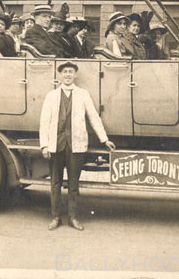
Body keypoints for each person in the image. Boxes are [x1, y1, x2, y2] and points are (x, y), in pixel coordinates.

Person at [40, 61, 116, 231]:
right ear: (60, 75)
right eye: (64, 72)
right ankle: (55, 217)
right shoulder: (51, 96)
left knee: (74, 184)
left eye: (70, 72)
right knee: (55, 182)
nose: (67, 74)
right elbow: (44, 121)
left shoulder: (83, 94)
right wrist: (44, 145)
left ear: (75, 75)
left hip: (76, 145)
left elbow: (94, 117)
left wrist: (104, 139)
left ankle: (73, 217)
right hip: (56, 145)